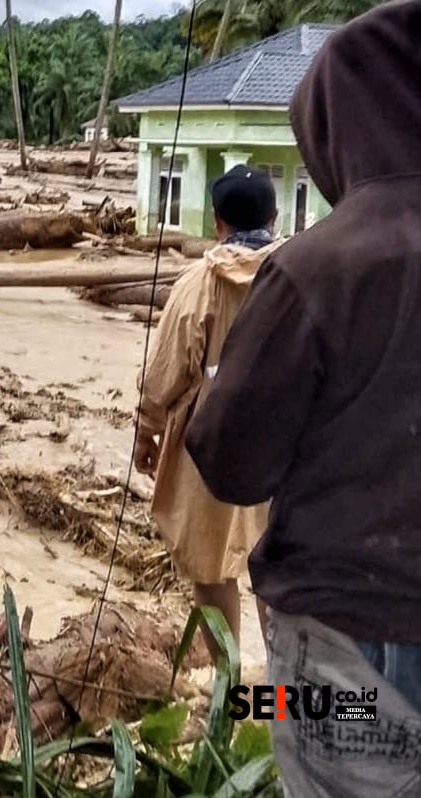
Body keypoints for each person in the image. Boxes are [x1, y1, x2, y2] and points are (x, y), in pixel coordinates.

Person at [185, 3, 421, 795]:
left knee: (316, 728)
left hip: (351, 638)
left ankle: (234, 692)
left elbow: (230, 460)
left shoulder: (325, 266)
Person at [133, 164, 284, 662]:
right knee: (277, 567)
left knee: (213, 565)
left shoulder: (196, 285)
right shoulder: (303, 273)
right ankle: (285, 699)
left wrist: (147, 433)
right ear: (276, 218)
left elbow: (163, 376)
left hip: (210, 444)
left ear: (217, 223)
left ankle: (230, 692)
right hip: (290, 444)